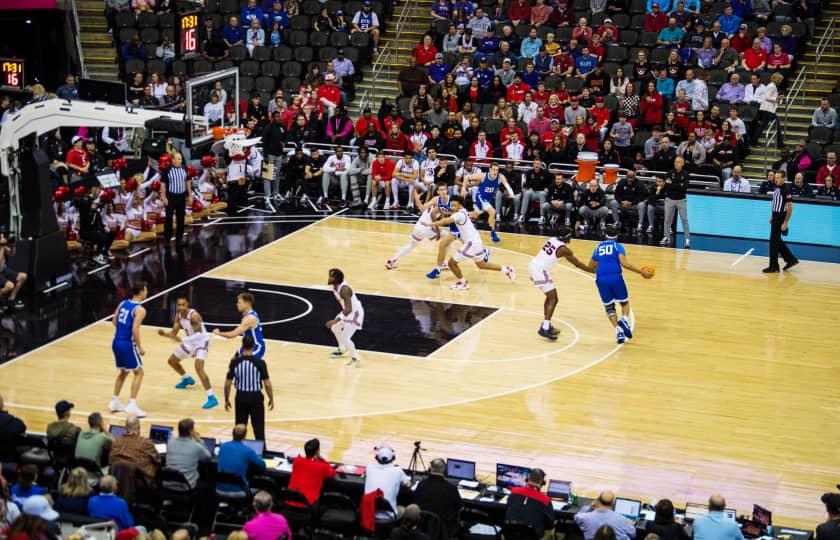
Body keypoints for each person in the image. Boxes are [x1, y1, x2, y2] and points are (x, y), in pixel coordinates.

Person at [574, 224, 653, 343]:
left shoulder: (598, 248)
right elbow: (624, 264)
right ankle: (625, 320)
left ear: (604, 235)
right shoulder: (618, 246)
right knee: (624, 303)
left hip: (601, 279)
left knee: (609, 307)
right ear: (617, 236)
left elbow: (591, 267)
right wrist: (640, 272)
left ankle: (618, 331)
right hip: (615, 277)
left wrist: (581, 266)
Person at [424, 195, 516, 291]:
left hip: (471, 244)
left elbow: (446, 221)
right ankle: (507, 269)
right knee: (481, 265)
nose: (452, 207)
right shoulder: (463, 211)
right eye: (451, 205)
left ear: (460, 206)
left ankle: (463, 283)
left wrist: (431, 224)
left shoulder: (459, 214)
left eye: (455, 205)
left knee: (451, 263)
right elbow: (449, 213)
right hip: (476, 241)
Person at [158, 295, 217, 409]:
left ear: (187, 304)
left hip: (201, 342)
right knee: (172, 361)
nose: (181, 307)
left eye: (183, 305)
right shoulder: (178, 316)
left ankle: (212, 397)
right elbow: (174, 335)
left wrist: (183, 339)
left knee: (199, 368)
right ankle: (186, 379)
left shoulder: (194, 316)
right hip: (190, 342)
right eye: (179, 305)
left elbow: (199, 334)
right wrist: (164, 334)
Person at [386, 185, 449, 270]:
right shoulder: (436, 199)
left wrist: (417, 199)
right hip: (425, 227)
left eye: (444, 189)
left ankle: (392, 260)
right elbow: (424, 210)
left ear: (447, 190)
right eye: (441, 190)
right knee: (447, 237)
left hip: (419, 226)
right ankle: (443, 263)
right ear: (437, 192)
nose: (443, 191)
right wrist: (417, 198)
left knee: (411, 245)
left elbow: (440, 215)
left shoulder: (446, 200)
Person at [109, 282, 148, 417]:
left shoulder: (123, 303)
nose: (146, 292)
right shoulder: (140, 310)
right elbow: (135, 330)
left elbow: (114, 321)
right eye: (146, 289)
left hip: (116, 342)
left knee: (124, 371)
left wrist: (122, 332)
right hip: (127, 344)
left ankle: (114, 401)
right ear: (141, 291)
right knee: (139, 372)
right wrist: (140, 347)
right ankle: (132, 405)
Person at [224, 335, 274, 440]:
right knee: (259, 429)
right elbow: (267, 384)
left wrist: (226, 399)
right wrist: (271, 399)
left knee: (239, 429)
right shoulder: (260, 363)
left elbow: (227, 384)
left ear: (242, 345)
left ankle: (237, 452)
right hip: (255, 397)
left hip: (240, 397)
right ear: (254, 346)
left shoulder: (234, 362)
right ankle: (261, 453)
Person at [462, 162, 516, 243]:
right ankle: (493, 233)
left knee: (475, 215)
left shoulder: (500, 177)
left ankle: (462, 215)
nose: (495, 171)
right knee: (492, 212)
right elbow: (467, 177)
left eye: (497, 170)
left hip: (488, 199)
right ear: (490, 170)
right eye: (493, 169)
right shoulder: (483, 175)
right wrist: (463, 188)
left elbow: (507, 186)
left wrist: (512, 194)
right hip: (480, 197)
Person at [326, 268, 365, 368]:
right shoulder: (335, 286)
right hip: (347, 312)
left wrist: (336, 320)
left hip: (355, 314)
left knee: (345, 337)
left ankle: (356, 359)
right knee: (335, 328)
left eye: (331, 276)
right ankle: (342, 349)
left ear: (337, 279)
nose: (329, 278)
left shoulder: (344, 290)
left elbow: (349, 308)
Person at [414, 458, 462, 537]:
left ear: (430, 469)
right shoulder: (451, 488)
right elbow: (460, 508)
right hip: (443, 530)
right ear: (445, 470)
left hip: (422, 527)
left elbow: (415, 502)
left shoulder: (421, 485)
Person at [108, 415, 161, 485]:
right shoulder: (146, 443)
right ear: (139, 428)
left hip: (118, 484)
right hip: (140, 487)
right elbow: (158, 461)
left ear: (125, 428)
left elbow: (110, 463)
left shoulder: (115, 443)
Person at [763, 170, 798, 273]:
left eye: (778, 178)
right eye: (775, 177)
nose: (776, 179)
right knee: (777, 240)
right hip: (775, 216)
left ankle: (774, 266)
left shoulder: (786, 190)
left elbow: (790, 208)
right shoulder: (776, 187)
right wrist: (772, 216)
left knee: (773, 242)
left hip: (780, 218)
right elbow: (775, 202)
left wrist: (785, 222)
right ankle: (791, 260)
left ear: (784, 179)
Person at [214, 291, 266, 359]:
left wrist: (218, 333)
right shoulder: (248, 313)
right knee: (233, 362)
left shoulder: (249, 319)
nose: (237, 304)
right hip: (248, 346)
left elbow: (232, 335)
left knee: (245, 366)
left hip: (256, 348)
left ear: (247, 303)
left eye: (239, 302)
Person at [505, 468, 555, 537]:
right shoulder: (545, 500)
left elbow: (508, 508)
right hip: (533, 536)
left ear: (527, 479)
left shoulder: (514, 491)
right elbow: (550, 524)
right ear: (543, 483)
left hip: (511, 534)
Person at [165, 418, 211, 489]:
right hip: (185, 487)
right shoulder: (196, 446)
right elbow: (208, 457)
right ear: (190, 431)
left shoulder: (170, 443)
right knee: (207, 485)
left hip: (167, 485)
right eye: (193, 429)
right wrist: (199, 440)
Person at [288, 438, 336, 505]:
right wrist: (321, 459)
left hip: (289, 502)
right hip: (307, 506)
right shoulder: (321, 466)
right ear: (317, 451)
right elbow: (332, 473)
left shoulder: (296, 461)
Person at [364, 445, 410, 513]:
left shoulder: (369, 468)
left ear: (377, 458)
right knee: (404, 509)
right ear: (393, 458)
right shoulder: (397, 470)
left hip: (368, 515)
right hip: (389, 518)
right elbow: (408, 484)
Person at [218, 424, 266, 489]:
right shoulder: (248, 451)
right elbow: (262, 466)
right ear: (244, 436)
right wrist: (258, 457)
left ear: (233, 434)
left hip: (219, 490)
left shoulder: (223, 446)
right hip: (239, 492)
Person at [160, 153, 193, 247]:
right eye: (178, 159)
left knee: (181, 218)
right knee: (169, 219)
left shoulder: (184, 168)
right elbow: (163, 184)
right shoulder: (167, 170)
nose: (180, 161)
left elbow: (188, 182)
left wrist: (190, 195)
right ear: (173, 160)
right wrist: (164, 197)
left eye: (181, 159)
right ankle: (167, 239)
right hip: (171, 196)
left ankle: (179, 239)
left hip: (181, 196)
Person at [660, 156, 691, 248]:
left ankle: (687, 239)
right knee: (667, 220)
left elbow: (684, 187)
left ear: (682, 164)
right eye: (675, 162)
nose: (676, 164)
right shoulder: (669, 173)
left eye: (678, 162)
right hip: (669, 199)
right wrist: (678, 185)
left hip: (681, 199)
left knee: (684, 219)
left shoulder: (686, 174)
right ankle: (666, 237)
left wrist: (673, 184)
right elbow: (668, 186)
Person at [0, 235, 26, 311]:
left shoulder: (2, 245)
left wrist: (12, 245)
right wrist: (1, 247)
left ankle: (11, 300)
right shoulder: (1, 246)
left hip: (3, 270)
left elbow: (12, 253)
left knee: (23, 276)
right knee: (10, 286)